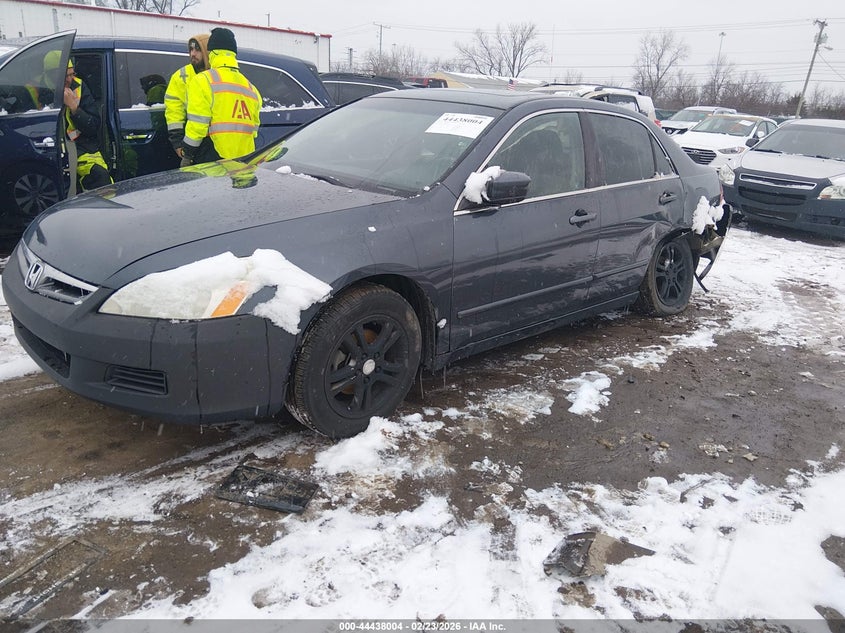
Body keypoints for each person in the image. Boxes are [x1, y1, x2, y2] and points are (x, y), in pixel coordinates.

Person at [181, 28, 261, 166]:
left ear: (212, 53)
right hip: (245, 160)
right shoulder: (251, 88)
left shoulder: (203, 80)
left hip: (213, 157)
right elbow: (254, 129)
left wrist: (187, 154)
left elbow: (198, 124)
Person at [61, 57, 112, 192]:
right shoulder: (39, 90)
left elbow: (93, 125)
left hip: (82, 147)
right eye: (65, 76)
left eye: (72, 74)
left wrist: (74, 108)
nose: (70, 80)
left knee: (101, 177)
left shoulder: (79, 86)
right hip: (53, 149)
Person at [164, 33, 210, 159]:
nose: (193, 54)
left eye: (198, 49)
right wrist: (178, 142)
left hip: (217, 143)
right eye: (191, 49)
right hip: (191, 142)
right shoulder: (180, 76)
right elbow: (174, 111)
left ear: (207, 51)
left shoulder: (218, 76)